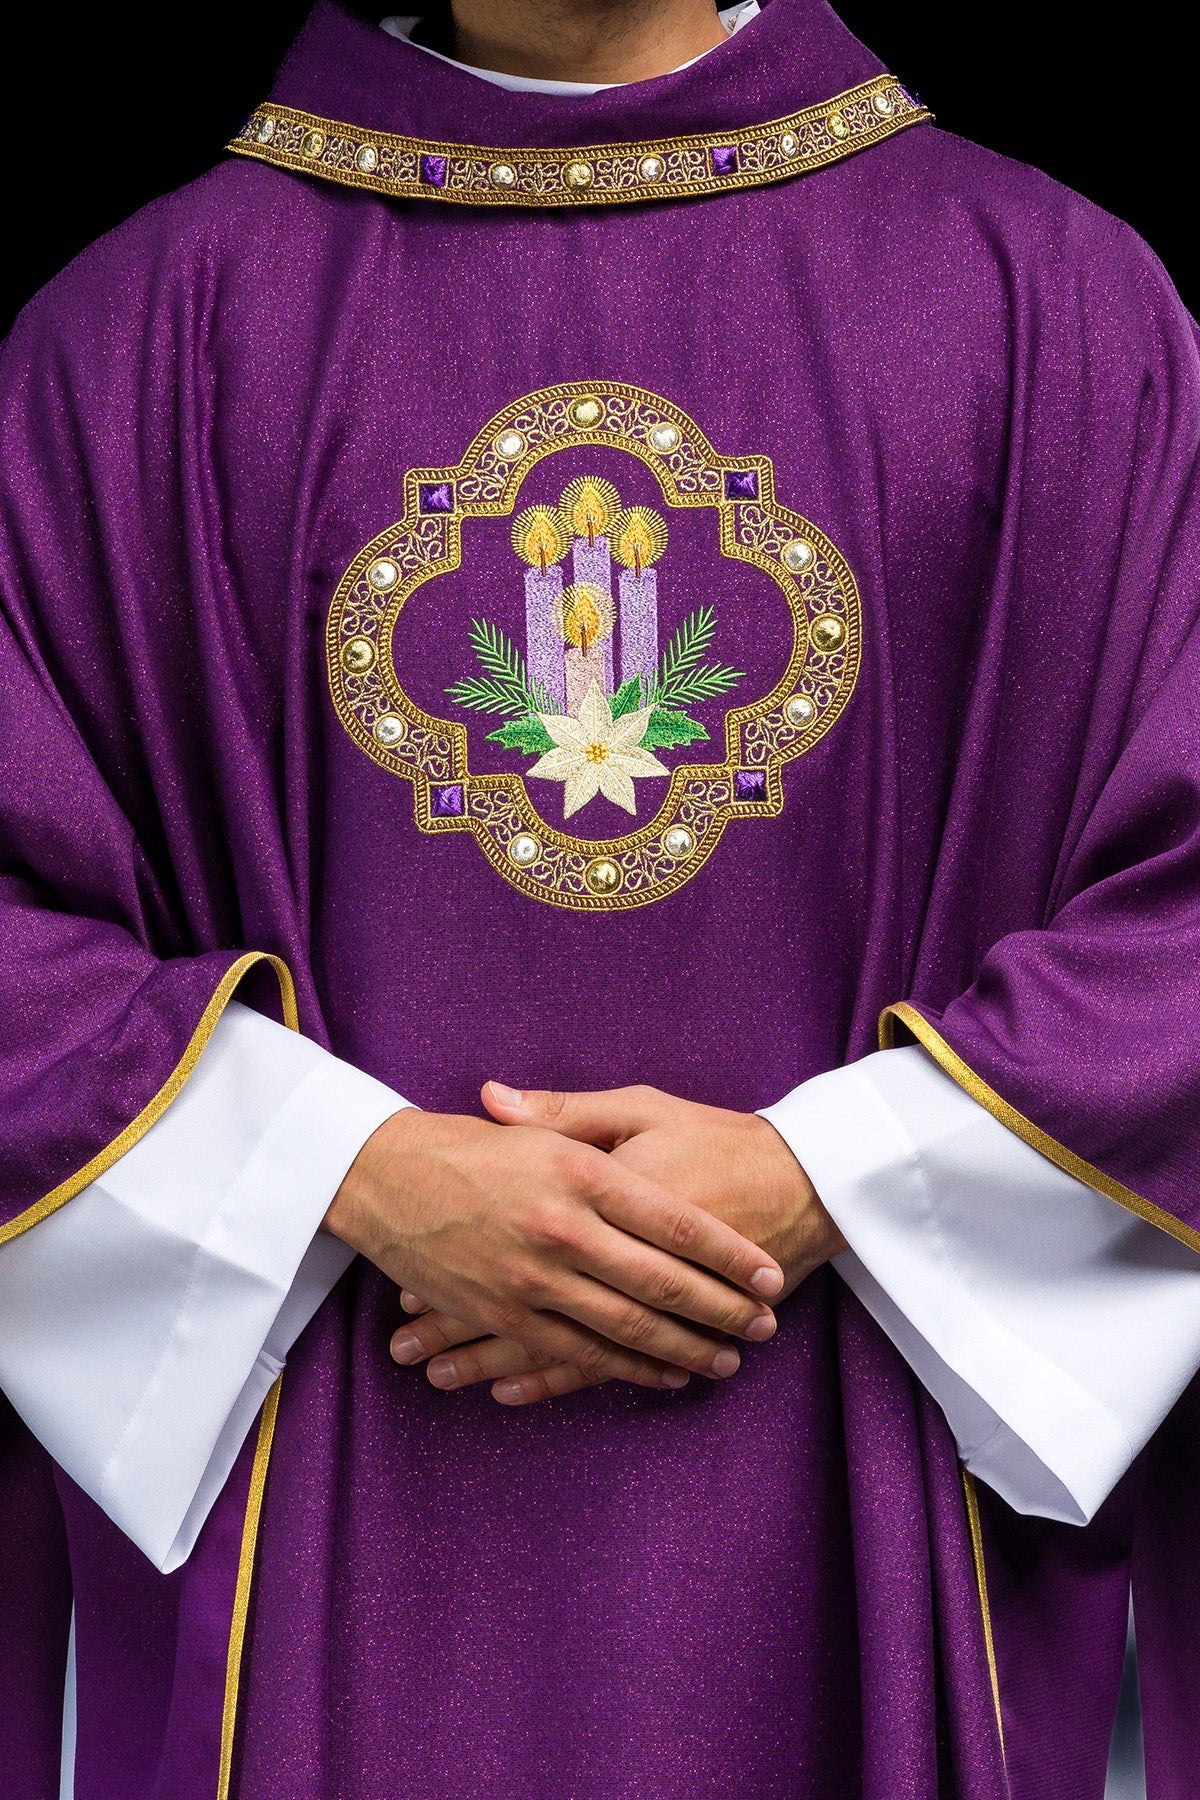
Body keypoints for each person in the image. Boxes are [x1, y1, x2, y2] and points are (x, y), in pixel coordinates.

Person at [1, 1, 1198, 1794]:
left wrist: (837, 1175)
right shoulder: (138, 339)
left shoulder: (1053, 309)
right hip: (331, 1487)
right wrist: (339, 1168)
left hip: (867, 1466)